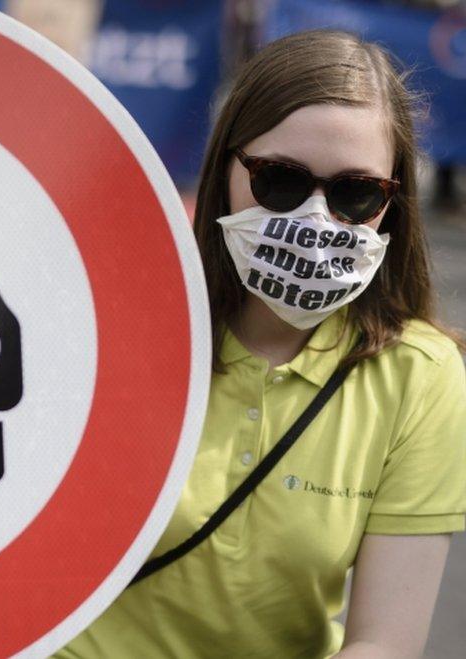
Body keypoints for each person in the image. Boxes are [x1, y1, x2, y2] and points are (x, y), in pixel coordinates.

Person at [57, 30, 466, 658]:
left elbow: (386, 642)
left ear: (394, 200)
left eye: (357, 193)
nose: (314, 219)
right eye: (280, 181)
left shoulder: (421, 376)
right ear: (226, 166)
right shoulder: (111, 324)